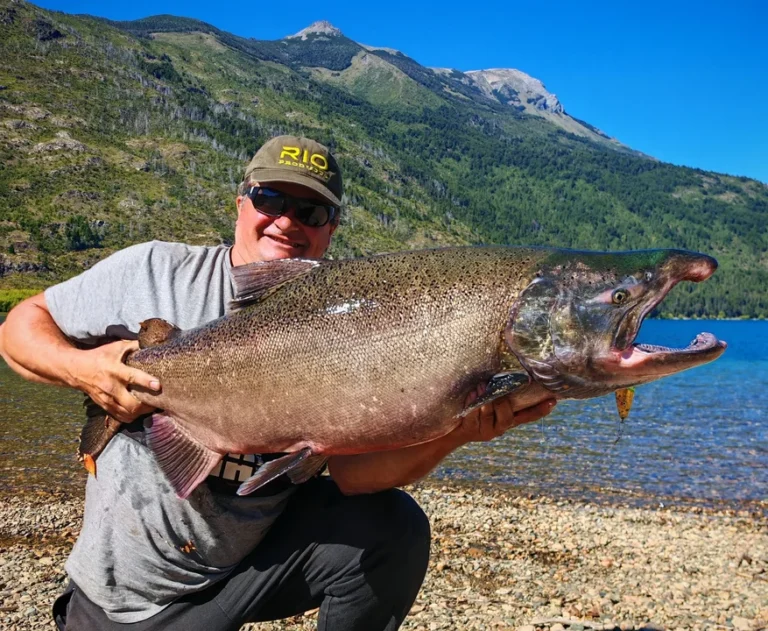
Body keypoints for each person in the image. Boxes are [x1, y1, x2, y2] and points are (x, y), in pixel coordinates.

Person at [0, 135, 557, 630]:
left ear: (331, 228)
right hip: (122, 600)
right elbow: (19, 328)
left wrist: (458, 432)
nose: (287, 222)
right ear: (241, 202)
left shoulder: (348, 323)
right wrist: (84, 369)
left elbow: (356, 477)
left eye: (311, 211)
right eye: (270, 199)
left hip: (241, 576)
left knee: (396, 529)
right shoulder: (153, 271)